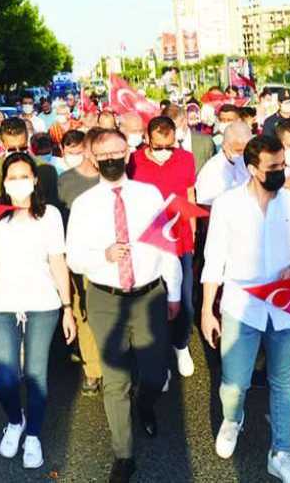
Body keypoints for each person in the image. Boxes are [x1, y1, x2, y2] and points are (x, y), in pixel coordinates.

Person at [65, 129, 182, 483]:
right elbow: (74, 259)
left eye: (118, 152)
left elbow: (167, 244)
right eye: (104, 155)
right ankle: (123, 454)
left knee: (154, 373)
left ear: (129, 153)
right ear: (94, 159)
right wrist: (103, 255)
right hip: (106, 298)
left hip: (149, 295)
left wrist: (174, 292)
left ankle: (144, 404)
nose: (112, 159)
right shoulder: (85, 205)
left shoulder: (149, 195)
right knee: (115, 379)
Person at [200, 135, 290, 482]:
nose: (283, 172)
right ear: (252, 169)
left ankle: (280, 452)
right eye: (274, 167)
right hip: (241, 306)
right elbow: (214, 258)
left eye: (284, 164)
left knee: (282, 382)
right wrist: (208, 309)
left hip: (284, 306)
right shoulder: (227, 204)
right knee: (234, 382)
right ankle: (233, 419)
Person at [0, 153, 76, 470]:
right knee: (6, 377)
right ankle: (15, 420)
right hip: (1, 304)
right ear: (4, 182)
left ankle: (33, 433)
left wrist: (67, 308)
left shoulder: (49, 215)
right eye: (12, 177)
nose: (18, 182)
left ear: (35, 179)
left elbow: (58, 262)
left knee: (36, 375)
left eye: (25, 176)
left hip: (43, 304)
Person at [128, 116, 198, 379]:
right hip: (148, 241)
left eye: (170, 145)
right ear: (147, 139)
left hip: (180, 238)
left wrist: (192, 230)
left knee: (185, 301)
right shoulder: (133, 161)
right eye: (159, 147)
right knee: (154, 302)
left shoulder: (185, 158)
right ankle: (159, 360)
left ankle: (181, 345)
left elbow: (190, 194)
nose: (166, 152)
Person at [57, 128, 103, 396]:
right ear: (86, 150)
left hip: (109, 260)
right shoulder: (65, 181)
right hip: (77, 259)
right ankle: (93, 371)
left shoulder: (115, 179)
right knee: (83, 314)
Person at [0, 118, 59, 206]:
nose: (18, 152)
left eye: (22, 148)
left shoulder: (47, 170)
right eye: (12, 149)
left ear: (27, 142)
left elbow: (52, 207)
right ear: (2, 145)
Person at [195, 121, 251, 206]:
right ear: (225, 146)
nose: (242, 155)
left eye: (246, 150)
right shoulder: (212, 171)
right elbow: (205, 205)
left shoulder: (248, 164)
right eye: (238, 150)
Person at [165, 104, 215, 175]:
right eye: (169, 129)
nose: (173, 132)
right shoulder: (162, 144)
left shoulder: (206, 142)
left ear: (185, 120)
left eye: (176, 127)